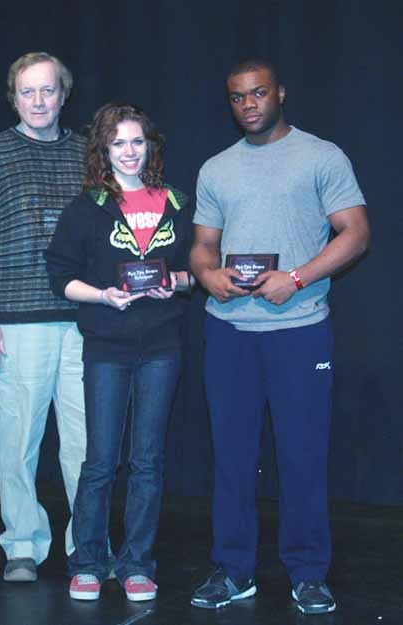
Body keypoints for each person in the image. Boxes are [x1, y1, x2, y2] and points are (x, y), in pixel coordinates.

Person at [189, 58, 369, 614]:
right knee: (233, 458)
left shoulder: (322, 156)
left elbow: (356, 233)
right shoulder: (216, 169)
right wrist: (207, 274)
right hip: (231, 335)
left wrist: (297, 278)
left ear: (280, 94)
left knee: (302, 456)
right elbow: (202, 245)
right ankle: (233, 570)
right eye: (238, 97)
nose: (249, 104)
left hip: (300, 334)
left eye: (258, 93)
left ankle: (308, 572)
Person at [45, 102, 193, 602]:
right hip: (106, 347)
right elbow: (61, 278)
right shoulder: (86, 207)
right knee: (100, 461)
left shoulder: (175, 200)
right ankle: (88, 561)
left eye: (137, 141)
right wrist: (105, 295)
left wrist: (177, 281)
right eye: (118, 143)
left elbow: (199, 270)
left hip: (161, 347)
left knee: (148, 461)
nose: (129, 152)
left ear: (149, 145)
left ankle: (136, 564)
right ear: (103, 151)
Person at [0, 52, 88, 582]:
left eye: (47, 90)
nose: (38, 101)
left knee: (85, 444)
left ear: (63, 94)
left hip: (83, 323)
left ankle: (88, 546)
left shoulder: (86, 155)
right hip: (13, 325)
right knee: (18, 442)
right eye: (27, 92)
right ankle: (22, 547)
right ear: (14, 97)